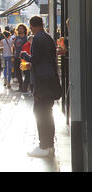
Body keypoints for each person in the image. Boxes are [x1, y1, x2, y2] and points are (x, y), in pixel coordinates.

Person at [21, 16, 60, 158]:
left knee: (40, 112)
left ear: (31, 26)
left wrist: (25, 55)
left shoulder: (37, 39)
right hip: (50, 80)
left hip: (42, 82)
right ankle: (49, 145)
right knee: (47, 113)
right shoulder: (48, 37)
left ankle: (44, 145)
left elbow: (36, 59)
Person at [13, 24, 29, 92]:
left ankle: (25, 87)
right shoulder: (16, 38)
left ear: (24, 29)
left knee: (26, 72)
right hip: (16, 57)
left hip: (24, 58)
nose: (20, 30)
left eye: (21, 28)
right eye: (19, 28)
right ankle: (20, 86)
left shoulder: (26, 38)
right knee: (18, 73)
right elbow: (14, 47)